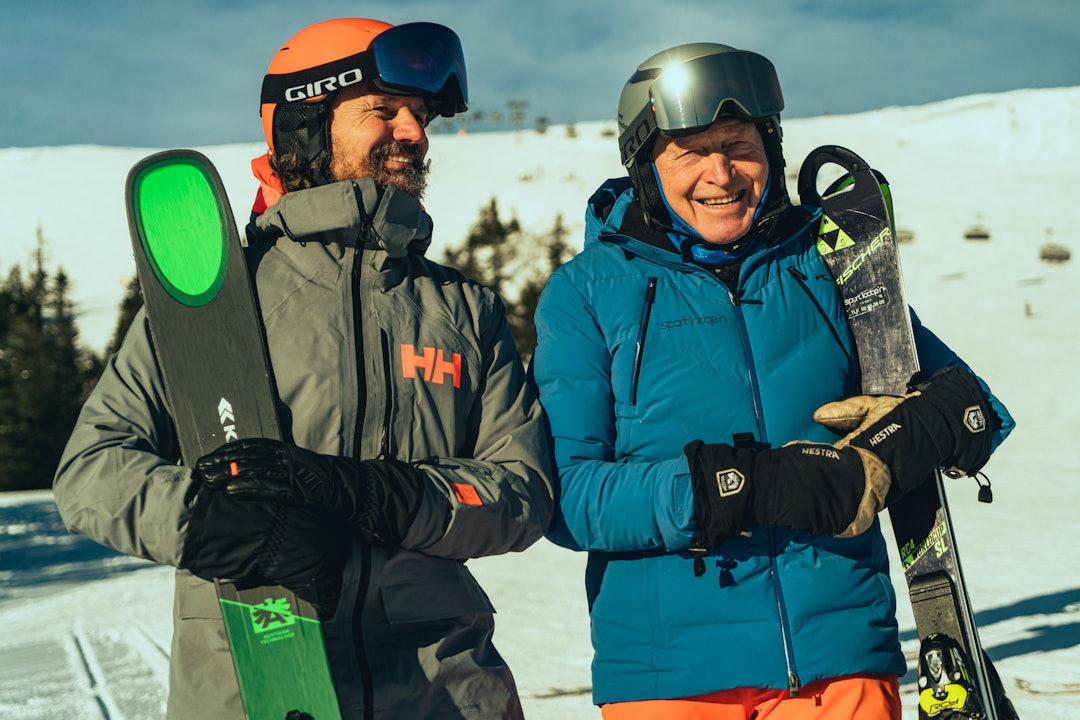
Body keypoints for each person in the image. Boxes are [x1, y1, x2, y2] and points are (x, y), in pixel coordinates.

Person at [53, 18, 553, 720]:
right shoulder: (217, 300)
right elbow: (92, 470)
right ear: (305, 127)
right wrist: (215, 524)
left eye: (421, 115)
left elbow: (523, 491)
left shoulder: (461, 309)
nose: (413, 132)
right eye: (383, 110)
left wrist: (389, 495)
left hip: (444, 692)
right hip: (251, 686)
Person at [531, 42, 1015, 719]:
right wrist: (749, 486)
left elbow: (976, 407)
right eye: (689, 151)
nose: (721, 172)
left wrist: (895, 444)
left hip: (841, 663)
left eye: (738, 143)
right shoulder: (585, 295)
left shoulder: (829, 268)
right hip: (672, 678)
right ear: (646, 167)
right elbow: (566, 496)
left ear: (773, 149)